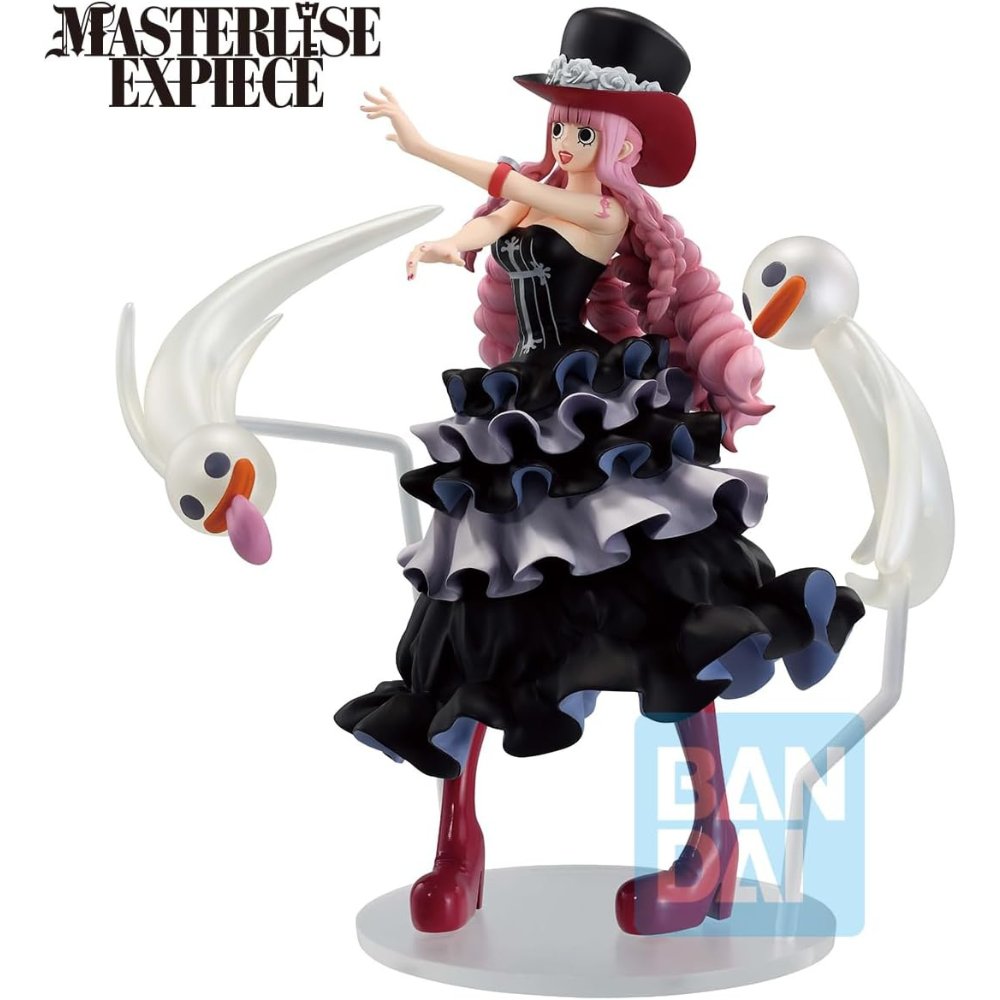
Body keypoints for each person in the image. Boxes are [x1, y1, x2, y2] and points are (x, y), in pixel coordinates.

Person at [334, 8, 864, 936]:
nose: (566, 145)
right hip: (514, 416)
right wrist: (448, 245)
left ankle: (711, 842)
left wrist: (423, 146)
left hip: (592, 412)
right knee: (474, 614)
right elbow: (495, 217)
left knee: (668, 607)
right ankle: (458, 840)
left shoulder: (604, 212)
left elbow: (510, 189)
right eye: (560, 128)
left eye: (584, 133)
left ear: (619, 146)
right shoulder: (541, 197)